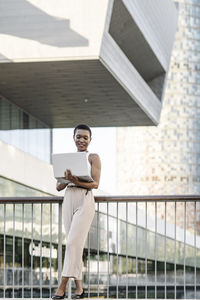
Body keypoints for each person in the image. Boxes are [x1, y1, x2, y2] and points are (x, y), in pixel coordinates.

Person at [52, 124, 101, 299]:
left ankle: (62, 287)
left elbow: (95, 184)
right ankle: (80, 289)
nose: (81, 140)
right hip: (68, 197)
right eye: (78, 137)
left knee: (72, 243)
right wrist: (67, 179)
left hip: (85, 198)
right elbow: (58, 187)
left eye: (85, 137)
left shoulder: (93, 158)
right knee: (75, 245)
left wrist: (76, 180)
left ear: (90, 140)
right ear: (74, 138)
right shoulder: (67, 158)